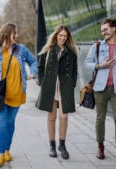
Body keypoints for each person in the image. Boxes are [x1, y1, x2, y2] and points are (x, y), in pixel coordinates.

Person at [0, 22, 37, 167]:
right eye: (14, 33)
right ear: (6, 33)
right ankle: (0, 153)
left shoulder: (21, 50)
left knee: (10, 123)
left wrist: (32, 73)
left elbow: (34, 62)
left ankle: (7, 150)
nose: (17, 35)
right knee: (1, 123)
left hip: (17, 93)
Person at [84, 18, 116, 165]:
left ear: (114, 29)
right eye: (102, 30)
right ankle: (100, 147)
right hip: (100, 88)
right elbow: (87, 63)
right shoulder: (97, 47)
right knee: (100, 119)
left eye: (105, 29)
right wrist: (100, 65)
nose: (103, 32)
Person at [35, 25, 78, 160]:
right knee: (51, 117)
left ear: (68, 37)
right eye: (60, 35)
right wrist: (43, 82)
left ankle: (62, 145)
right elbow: (40, 67)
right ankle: (52, 145)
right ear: (56, 35)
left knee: (64, 117)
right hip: (50, 87)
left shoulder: (71, 52)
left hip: (65, 87)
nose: (62, 38)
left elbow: (74, 70)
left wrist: (72, 84)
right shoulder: (48, 50)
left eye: (65, 36)